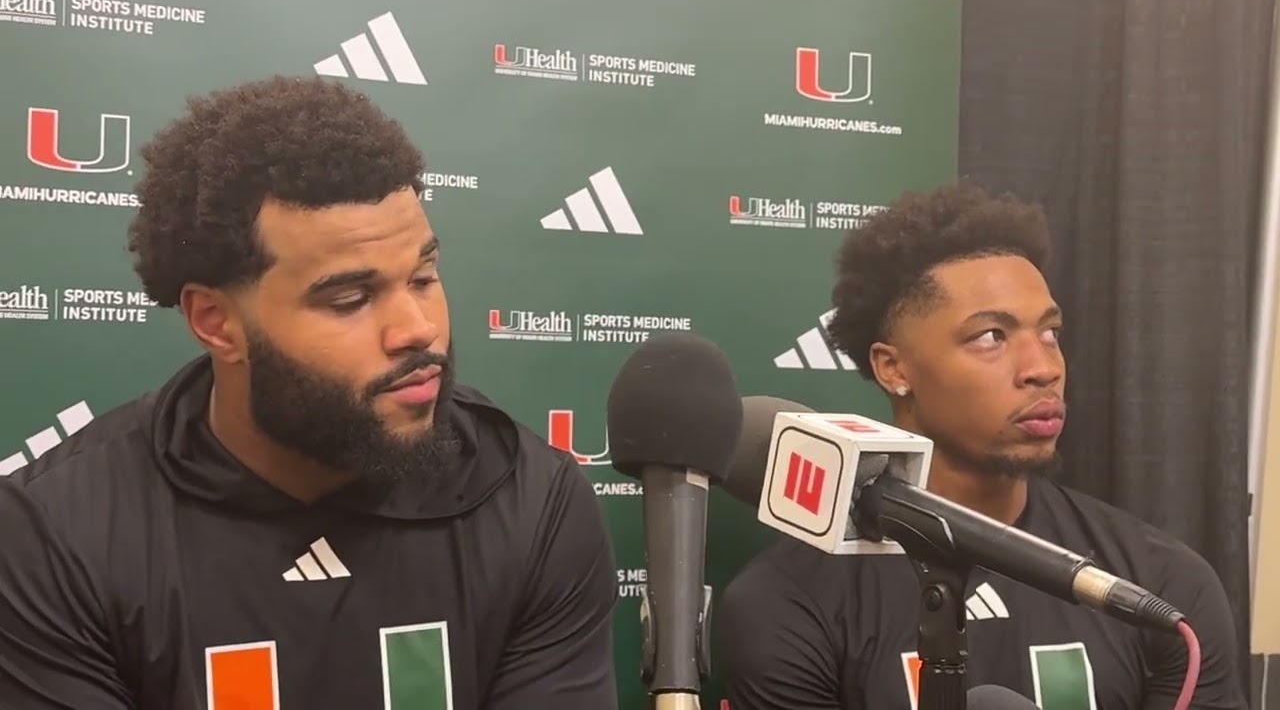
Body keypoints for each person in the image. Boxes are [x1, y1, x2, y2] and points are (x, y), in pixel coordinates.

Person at [0, 76, 619, 709]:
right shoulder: (54, 535)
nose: (418, 329)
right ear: (216, 321)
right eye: (350, 299)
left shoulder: (531, 497)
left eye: (425, 277)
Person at [716, 182, 1246, 709]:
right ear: (894, 368)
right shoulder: (789, 603)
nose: (1044, 368)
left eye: (1050, 332)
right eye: (991, 336)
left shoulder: (1160, 586)